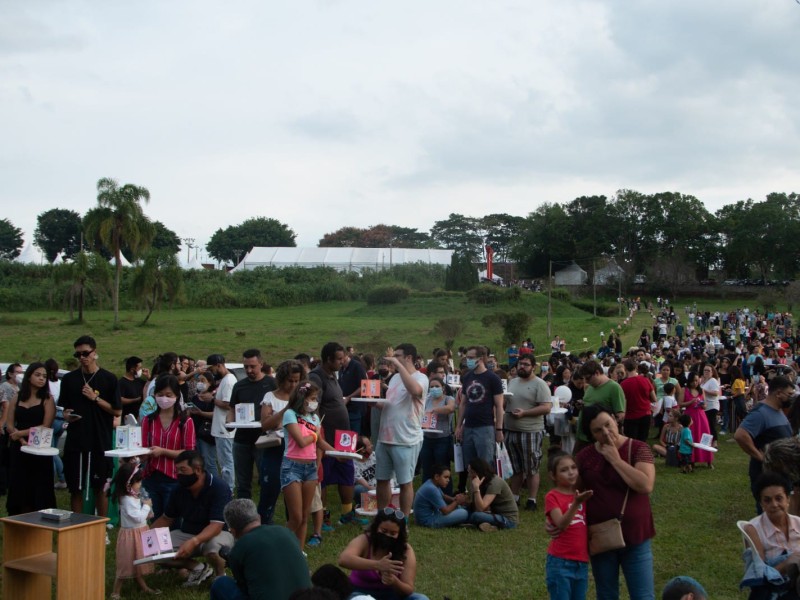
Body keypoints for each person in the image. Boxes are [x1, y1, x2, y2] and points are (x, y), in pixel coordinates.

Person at [576, 404, 656, 600]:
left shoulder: (638, 448)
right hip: (601, 536)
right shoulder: (584, 456)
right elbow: (575, 493)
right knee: (606, 594)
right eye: (598, 430)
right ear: (591, 434)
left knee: (643, 595)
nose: (605, 432)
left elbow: (645, 485)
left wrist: (616, 460)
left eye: (608, 424)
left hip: (635, 536)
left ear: (615, 419)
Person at [150, 450, 234, 587]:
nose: (179, 474)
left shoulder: (219, 487)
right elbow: (166, 518)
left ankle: (220, 576)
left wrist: (194, 541)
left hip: (218, 533)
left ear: (198, 470)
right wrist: (144, 538)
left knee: (213, 549)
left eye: (183, 469)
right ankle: (198, 568)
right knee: (154, 550)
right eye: (177, 470)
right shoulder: (178, 489)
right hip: (188, 532)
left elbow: (216, 525)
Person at [60, 335, 120, 515]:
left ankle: (101, 529)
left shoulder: (109, 379)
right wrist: (66, 415)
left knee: (100, 486)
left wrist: (95, 398)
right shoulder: (69, 379)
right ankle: (77, 526)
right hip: (76, 440)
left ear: (95, 353)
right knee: (75, 487)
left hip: (99, 439)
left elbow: (116, 411)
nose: (82, 358)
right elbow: (65, 409)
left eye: (86, 353)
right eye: (78, 354)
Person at [210, 498, 311, 600]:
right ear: (259, 518)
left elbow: (243, 586)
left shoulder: (240, 547)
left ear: (233, 531)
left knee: (220, 583)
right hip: (309, 597)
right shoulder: (286, 532)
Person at [375, 343, 428, 516]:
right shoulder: (395, 378)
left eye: (397, 356)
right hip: (385, 437)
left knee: (405, 482)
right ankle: (382, 517)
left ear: (408, 358)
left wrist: (397, 365)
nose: (393, 359)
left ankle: (404, 520)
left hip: (406, 439)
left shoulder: (421, 378)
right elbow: (393, 404)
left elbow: (415, 391)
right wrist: (377, 403)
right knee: (382, 480)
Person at [308, 342, 356, 527]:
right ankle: (324, 517)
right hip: (326, 438)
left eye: (343, 357)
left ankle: (347, 514)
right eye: (339, 358)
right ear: (328, 359)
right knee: (324, 478)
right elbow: (314, 407)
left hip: (343, 437)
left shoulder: (332, 376)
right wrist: (320, 435)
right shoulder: (316, 377)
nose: (342, 361)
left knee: (346, 473)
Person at [338, 508, 429, 600]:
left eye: (393, 533)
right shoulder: (365, 540)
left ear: (399, 534)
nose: (387, 535)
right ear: (376, 527)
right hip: (360, 593)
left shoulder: (406, 550)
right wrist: (377, 565)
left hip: (391, 595)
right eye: (384, 531)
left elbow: (408, 589)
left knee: (421, 598)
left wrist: (394, 581)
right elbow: (344, 559)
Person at [735, 375, 795, 511]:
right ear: (778, 393)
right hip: (767, 476)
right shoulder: (760, 413)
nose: (792, 398)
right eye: (789, 394)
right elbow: (740, 435)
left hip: (781, 474)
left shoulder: (778, 410)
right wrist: (760, 456)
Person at [141, 374, 196, 519]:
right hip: (151, 477)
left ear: (177, 396)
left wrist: (163, 451)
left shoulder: (185, 421)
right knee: (155, 519)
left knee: (173, 520)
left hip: (174, 478)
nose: (164, 399)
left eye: (168, 395)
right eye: (160, 394)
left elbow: (188, 452)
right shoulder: (149, 420)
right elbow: (144, 447)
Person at [5, 362, 57, 515]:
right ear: (29, 377)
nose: (42, 379)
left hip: (38, 447)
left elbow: (46, 425)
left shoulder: (47, 399)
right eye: (38, 375)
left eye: (44, 376)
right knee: (19, 484)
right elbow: (9, 423)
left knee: (38, 486)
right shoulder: (17, 397)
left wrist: (22, 433)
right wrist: (19, 438)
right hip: (19, 447)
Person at [281, 380, 329, 546]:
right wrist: (315, 435)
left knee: (305, 515)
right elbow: (301, 441)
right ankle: (281, 545)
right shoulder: (290, 415)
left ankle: (299, 552)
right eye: (313, 398)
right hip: (292, 467)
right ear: (303, 398)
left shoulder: (314, 417)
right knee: (296, 516)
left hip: (310, 468)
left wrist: (339, 453)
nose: (315, 402)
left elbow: (321, 443)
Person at [228, 349, 276, 509]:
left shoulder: (271, 384)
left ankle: (264, 512)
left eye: (252, 366)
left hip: (264, 439)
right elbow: (231, 408)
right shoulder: (239, 385)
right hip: (242, 439)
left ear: (261, 364)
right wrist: (229, 423)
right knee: (242, 482)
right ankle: (244, 513)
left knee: (265, 479)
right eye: (246, 366)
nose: (249, 370)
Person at [259, 359, 304, 524]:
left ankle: (290, 530)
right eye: (289, 381)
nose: (293, 385)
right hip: (275, 450)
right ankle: (263, 527)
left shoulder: (303, 398)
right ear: (281, 379)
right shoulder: (270, 397)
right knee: (269, 492)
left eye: (296, 381)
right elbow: (265, 425)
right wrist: (286, 410)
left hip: (296, 451)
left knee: (293, 496)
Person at [504, 354, 551, 510]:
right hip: (511, 430)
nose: (521, 367)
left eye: (525, 364)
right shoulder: (512, 382)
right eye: (520, 364)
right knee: (515, 467)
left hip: (530, 431)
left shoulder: (540, 384)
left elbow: (546, 407)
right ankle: (515, 497)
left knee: (531, 467)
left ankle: (532, 499)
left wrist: (525, 413)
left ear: (533, 367)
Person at [544, 451, 593, 600]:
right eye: (564, 470)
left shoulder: (582, 493)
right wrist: (576, 503)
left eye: (573, 467)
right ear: (553, 476)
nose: (571, 472)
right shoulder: (552, 496)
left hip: (581, 562)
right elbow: (561, 524)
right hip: (560, 562)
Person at [743, 473, 800, 597]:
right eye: (767, 500)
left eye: (779, 498)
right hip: (774, 589)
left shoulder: (798, 523)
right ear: (761, 504)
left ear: (788, 499)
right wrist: (786, 564)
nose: (774, 504)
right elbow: (759, 574)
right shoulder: (754, 529)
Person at [110, 462, 159, 599]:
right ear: (128, 484)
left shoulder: (133, 496)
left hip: (140, 532)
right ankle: (116, 591)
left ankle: (142, 585)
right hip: (131, 535)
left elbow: (140, 515)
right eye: (138, 482)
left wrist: (147, 510)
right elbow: (137, 517)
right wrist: (147, 507)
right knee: (126, 562)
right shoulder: (127, 500)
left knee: (138, 559)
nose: (140, 484)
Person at [455, 345, 505, 473]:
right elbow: (463, 403)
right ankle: (474, 491)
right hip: (468, 426)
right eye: (467, 358)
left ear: (481, 358)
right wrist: (459, 426)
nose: (468, 361)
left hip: (485, 427)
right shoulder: (467, 377)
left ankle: (486, 492)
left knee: (485, 465)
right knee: (470, 465)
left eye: (471, 358)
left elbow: (499, 406)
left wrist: (499, 429)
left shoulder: (493, 378)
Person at [575, 361, 625, 453]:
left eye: (588, 378)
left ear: (597, 373)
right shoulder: (590, 387)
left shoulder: (614, 387)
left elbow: (620, 415)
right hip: (582, 435)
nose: (586, 382)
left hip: (598, 437)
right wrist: (583, 405)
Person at [418, 376, 455, 495]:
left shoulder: (448, 398)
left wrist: (435, 410)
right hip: (427, 439)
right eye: (432, 387)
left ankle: (446, 496)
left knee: (442, 469)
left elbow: (450, 408)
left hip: (442, 439)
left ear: (443, 388)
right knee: (427, 469)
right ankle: (426, 495)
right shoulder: (427, 400)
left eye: (437, 386)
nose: (434, 389)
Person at [206, 353, 236, 492]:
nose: (211, 373)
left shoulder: (229, 381)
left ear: (219, 365)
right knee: (224, 460)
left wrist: (211, 399)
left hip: (224, 429)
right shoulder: (224, 380)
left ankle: (228, 489)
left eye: (212, 370)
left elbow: (228, 404)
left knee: (226, 462)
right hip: (220, 428)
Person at [465, 457, 519, 531]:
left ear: (479, 472)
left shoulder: (495, 482)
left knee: (476, 516)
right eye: (468, 471)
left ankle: (476, 523)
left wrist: (476, 489)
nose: (469, 474)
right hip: (493, 514)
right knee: (464, 510)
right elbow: (474, 504)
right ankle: (488, 526)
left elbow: (481, 508)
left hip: (508, 520)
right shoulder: (478, 481)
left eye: (471, 472)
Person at [412, 464, 468, 528]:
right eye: (445, 477)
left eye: (448, 477)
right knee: (463, 513)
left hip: (429, 517)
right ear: (436, 477)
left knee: (459, 508)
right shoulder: (432, 489)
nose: (448, 480)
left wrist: (454, 499)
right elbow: (445, 511)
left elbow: (443, 496)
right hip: (427, 521)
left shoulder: (432, 483)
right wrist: (457, 502)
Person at [187, 370, 217, 484]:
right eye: (198, 381)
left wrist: (201, 413)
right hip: (195, 432)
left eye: (203, 381)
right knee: (198, 460)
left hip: (207, 433)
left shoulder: (213, 398)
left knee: (209, 461)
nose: (200, 383)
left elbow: (216, 414)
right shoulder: (195, 397)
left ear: (210, 382)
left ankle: (213, 482)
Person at [679, 373, 713, 468]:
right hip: (690, 416)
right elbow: (680, 403)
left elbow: (705, 405)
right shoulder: (684, 390)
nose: (695, 383)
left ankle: (708, 460)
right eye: (693, 381)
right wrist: (691, 402)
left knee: (705, 436)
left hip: (701, 415)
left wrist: (702, 405)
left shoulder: (701, 390)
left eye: (697, 381)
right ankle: (692, 459)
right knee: (691, 436)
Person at [118, 356, 147, 422]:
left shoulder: (139, 381)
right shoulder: (121, 383)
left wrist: (149, 377)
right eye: (139, 368)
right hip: (128, 419)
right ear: (132, 369)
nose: (141, 370)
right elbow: (120, 400)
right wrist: (136, 400)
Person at [699, 364, 721, 446]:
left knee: (711, 424)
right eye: (705, 370)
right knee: (706, 424)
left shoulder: (713, 381)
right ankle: (706, 441)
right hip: (704, 406)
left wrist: (704, 391)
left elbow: (716, 393)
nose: (706, 372)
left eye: (708, 370)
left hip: (712, 406)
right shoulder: (704, 382)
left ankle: (714, 442)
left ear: (712, 372)